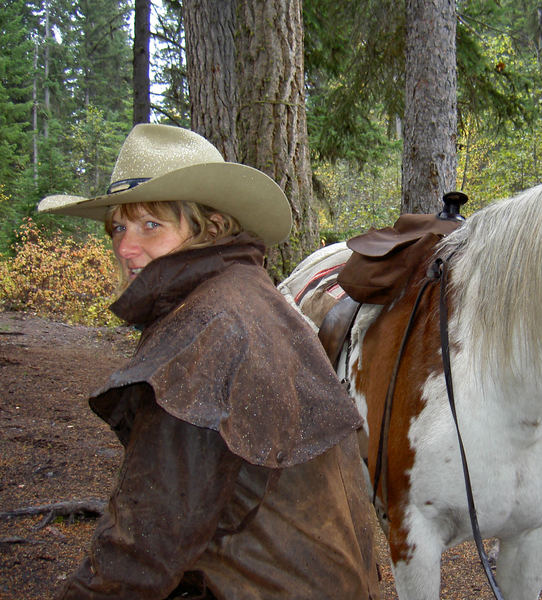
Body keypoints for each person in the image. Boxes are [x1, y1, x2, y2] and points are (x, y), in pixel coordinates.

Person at [37, 124, 381, 600]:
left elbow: (144, 542)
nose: (125, 247)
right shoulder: (248, 294)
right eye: (119, 226)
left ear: (210, 227)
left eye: (151, 225)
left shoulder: (204, 329)